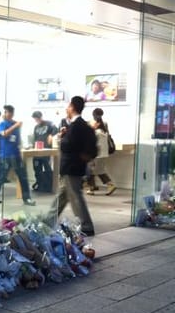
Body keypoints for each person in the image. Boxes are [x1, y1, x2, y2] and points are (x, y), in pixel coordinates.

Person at [47, 96, 97, 236]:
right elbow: (92, 145)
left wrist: (62, 138)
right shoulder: (84, 126)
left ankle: (87, 225)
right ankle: (47, 221)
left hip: (71, 167)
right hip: (75, 166)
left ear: (72, 107)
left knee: (75, 196)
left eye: (68, 106)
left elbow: (68, 146)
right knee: (62, 196)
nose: (66, 109)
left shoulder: (76, 126)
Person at [0, 105, 36, 206]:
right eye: (6, 112)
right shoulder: (2, 124)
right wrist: (15, 126)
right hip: (5, 155)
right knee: (2, 176)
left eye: (10, 112)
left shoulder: (16, 124)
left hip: (15, 154)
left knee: (23, 176)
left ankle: (26, 198)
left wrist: (22, 146)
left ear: (12, 113)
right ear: (4, 114)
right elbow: (4, 134)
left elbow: (17, 138)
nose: (8, 114)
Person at [86, 108, 117, 196]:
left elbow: (91, 140)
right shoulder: (104, 125)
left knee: (94, 170)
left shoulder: (94, 129)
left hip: (97, 153)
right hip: (103, 153)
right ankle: (91, 188)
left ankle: (110, 185)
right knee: (95, 170)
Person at [31, 110, 58, 193]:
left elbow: (56, 129)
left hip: (46, 150)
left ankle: (49, 185)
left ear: (41, 117)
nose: (37, 120)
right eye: (35, 119)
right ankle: (39, 183)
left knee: (47, 168)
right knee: (36, 168)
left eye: (38, 119)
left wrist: (51, 135)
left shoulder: (49, 124)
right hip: (37, 150)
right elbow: (35, 138)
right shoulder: (36, 127)